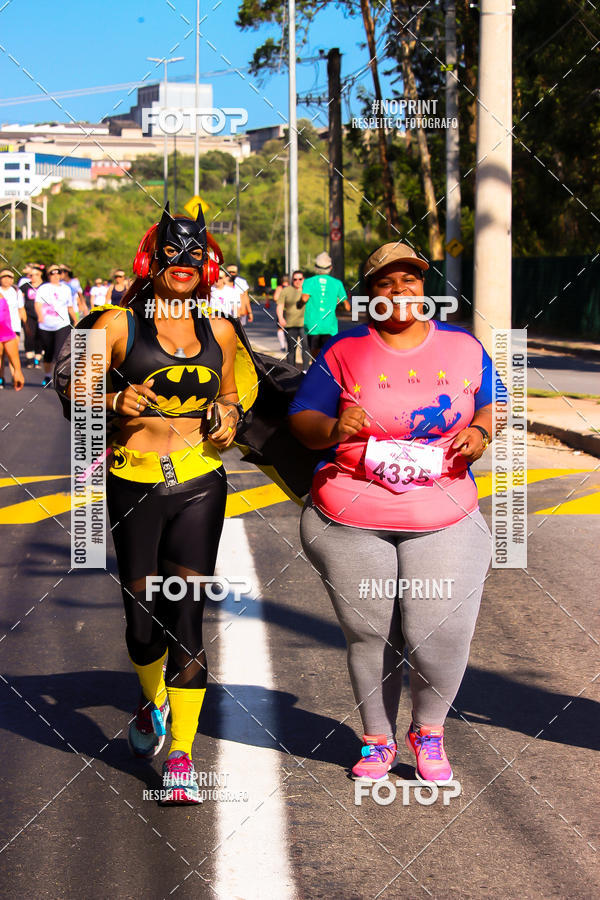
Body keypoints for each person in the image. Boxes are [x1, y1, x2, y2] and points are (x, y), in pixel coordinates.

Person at [289, 241, 496, 786]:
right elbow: (302, 418)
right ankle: (377, 738)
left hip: (444, 507)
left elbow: (490, 402)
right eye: (386, 282)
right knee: (371, 631)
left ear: (424, 288)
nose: (399, 290)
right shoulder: (342, 351)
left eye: (409, 280)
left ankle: (429, 730)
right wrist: (334, 429)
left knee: (440, 631)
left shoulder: (463, 345)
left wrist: (479, 432)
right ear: (369, 296)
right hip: (353, 509)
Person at [90, 205, 244, 804]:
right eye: (171, 256)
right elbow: (72, 386)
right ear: (152, 261)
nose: (183, 267)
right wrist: (112, 401)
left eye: (193, 257)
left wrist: (229, 418)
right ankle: (149, 697)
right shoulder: (116, 325)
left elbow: (234, 396)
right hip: (134, 483)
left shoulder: (222, 331)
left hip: (201, 484)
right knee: (141, 620)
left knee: (186, 615)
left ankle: (181, 753)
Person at [299, 251, 350, 358]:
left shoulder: (309, 281)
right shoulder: (337, 283)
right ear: (330, 267)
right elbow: (347, 307)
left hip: (313, 325)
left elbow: (304, 298)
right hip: (330, 326)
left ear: (315, 267)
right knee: (328, 356)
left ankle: (316, 372)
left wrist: (299, 304)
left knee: (315, 358)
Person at [35, 264, 78, 387]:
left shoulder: (66, 289)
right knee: (48, 352)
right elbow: (38, 304)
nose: (55, 275)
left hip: (62, 323)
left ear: (61, 275)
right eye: (52, 273)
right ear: (48, 276)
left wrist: (75, 319)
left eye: (58, 273)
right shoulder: (44, 288)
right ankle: (47, 376)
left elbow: (70, 306)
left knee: (60, 352)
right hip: (46, 324)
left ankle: (59, 378)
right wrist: (40, 316)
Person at [276, 271, 310, 371]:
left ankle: (305, 371)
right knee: (291, 349)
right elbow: (280, 305)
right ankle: (291, 370)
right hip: (290, 324)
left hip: (305, 324)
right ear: (292, 280)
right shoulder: (286, 291)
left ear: (303, 279)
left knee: (306, 348)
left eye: (300, 279)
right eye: (295, 279)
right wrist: (280, 318)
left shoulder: (307, 290)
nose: (297, 281)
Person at [0, 269, 26, 388]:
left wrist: (18, 371)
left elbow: (21, 309)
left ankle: (14, 375)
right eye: (4, 277)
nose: (7, 279)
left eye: (10, 277)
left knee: (10, 353)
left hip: (11, 326)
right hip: (6, 328)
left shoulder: (15, 292)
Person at [21, 264, 44, 369]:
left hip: (42, 316)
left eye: (36, 274)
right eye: (31, 275)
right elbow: (19, 298)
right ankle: (29, 359)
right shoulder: (26, 286)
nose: (33, 277)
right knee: (29, 335)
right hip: (28, 315)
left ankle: (37, 359)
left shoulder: (45, 286)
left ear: (40, 275)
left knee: (40, 337)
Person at [273, 276, 289, 352]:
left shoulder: (279, 288)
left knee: (280, 328)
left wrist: (281, 300)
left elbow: (275, 298)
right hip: (289, 310)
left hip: (281, 310)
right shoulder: (291, 288)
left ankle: (283, 346)